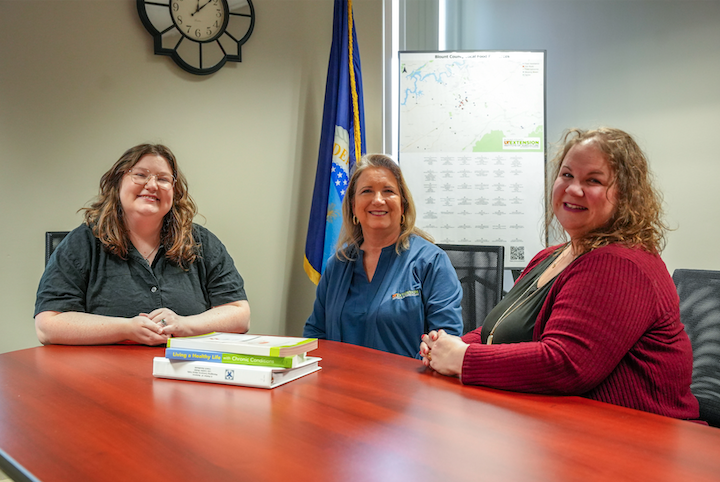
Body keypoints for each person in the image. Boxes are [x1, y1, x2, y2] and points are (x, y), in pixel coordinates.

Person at [420, 128, 700, 420]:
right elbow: (499, 330)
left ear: (625, 195)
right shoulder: (551, 256)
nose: (573, 189)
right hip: (566, 426)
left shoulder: (620, 263)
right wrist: (451, 346)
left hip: (640, 441)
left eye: (593, 180)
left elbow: (566, 364)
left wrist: (463, 359)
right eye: (567, 175)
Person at [35, 144, 250, 346]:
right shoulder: (82, 243)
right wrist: (126, 328)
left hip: (187, 374)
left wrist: (183, 325)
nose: (152, 185)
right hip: (103, 377)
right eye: (140, 175)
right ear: (118, 182)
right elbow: (48, 325)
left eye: (163, 179)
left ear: (174, 191)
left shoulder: (202, 242)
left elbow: (239, 314)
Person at [303, 154, 463, 358]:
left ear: (403, 205)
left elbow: (445, 343)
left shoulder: (431, 262)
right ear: (353, 206)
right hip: (340, 384)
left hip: (409, 387)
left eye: (388, 191)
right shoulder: (338, 265)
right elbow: (316, 334)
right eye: (367, 191)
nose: (378, 200)